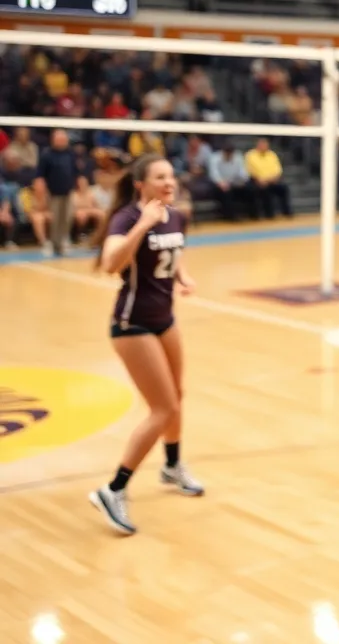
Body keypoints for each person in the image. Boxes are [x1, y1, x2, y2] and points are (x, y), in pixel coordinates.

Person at [89, 153, 202, 536]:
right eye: (160, 178)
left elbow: (172, 250)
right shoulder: (127, 218)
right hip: (131, 323)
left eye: (171, 176)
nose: (169, 183)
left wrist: (183, 276)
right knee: (163, 407)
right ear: (141, 184)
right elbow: (111, 264)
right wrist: (144, 225)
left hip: (163, 319)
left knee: (178, 395)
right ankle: (113, 489)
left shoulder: (176, 215)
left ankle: (171, 467)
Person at [36, 129, 79, 256]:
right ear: (54, 140)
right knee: (54, 220)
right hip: (52, 193)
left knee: (67, 218)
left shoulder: (70, 154)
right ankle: (51, 243)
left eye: (64, 139)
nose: (62, 141)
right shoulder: (46, 155)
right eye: (59, 139)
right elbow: (40, 176)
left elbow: (75, 172)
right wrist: (42, 195)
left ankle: (63, 241)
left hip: (68, 191)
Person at [245, 138, 293, 219]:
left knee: (284, 188)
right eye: (262, 145)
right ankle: (265, 214)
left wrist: (271, 179)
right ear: (258, 145)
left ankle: (287, 212)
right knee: (258, 189)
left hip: (272, 181)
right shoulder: (250, 155)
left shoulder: (272, 154)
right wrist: (259, 180)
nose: (264, 146)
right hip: (257, 181)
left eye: (265, 145)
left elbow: (278, 170)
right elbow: (250, 170)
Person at [208, 143, 253, 221]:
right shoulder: (215, 158)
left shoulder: (238, 156)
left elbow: (243, 172)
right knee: (227, 193)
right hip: (219, 184)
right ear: (223, 152)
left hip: (234, 182)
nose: (229, 155)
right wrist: (221, 183)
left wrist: (243, 180)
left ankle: (253, 214)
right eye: (227, 153)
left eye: (231, 153)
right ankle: (231, 217)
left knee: (251, 188)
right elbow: (214, 174)